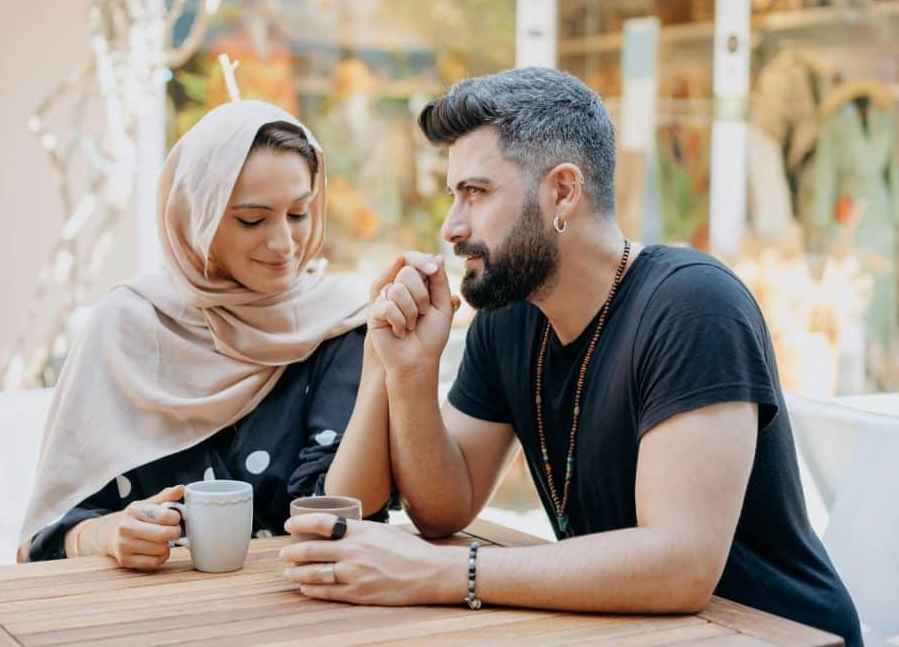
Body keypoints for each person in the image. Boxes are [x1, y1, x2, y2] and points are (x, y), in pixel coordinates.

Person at [281, 68, 862, 645]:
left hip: (775, 632)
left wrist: (441, 573)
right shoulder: (510, 317)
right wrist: (409, 372)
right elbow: (442, 509)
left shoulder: (695, 306)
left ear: (562, 191)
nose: (452, 227)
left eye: (476, 193)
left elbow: (680, 564)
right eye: (453, 196)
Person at [19, 100, 393, 569]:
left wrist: (387, 367)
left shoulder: (340, 322)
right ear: (197, 216)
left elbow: (346, 514)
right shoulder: (127, 326)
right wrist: (111, 534)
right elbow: (48, 537)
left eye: (298, 214)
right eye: (252, 220)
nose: (283, 245)